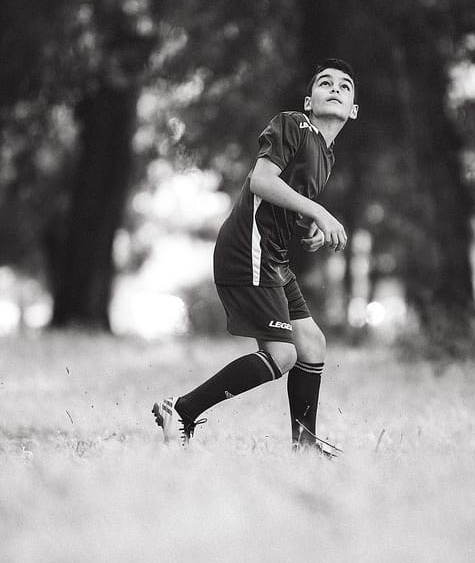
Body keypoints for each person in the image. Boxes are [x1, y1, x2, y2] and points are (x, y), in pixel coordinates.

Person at [152, 59, 358, 456]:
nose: (334, 88)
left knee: (311, 343)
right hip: (249, 250)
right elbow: (262, 180)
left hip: (272, 256)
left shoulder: (326, 154)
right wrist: (319, 212)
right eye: (324, 83)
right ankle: (183, 411)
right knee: (283, 354)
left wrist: (308, 223)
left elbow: (281, 197)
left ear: (353, 110)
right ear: (308, 101)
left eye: (345, 86)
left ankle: (306, 445)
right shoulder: (294, 124)